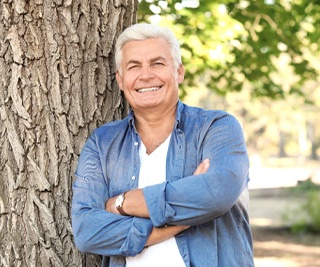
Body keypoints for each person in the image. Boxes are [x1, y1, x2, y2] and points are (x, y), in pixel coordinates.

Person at [71, 23, 254, 267]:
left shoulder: (217, 128)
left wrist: (123, 202)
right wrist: (187, 216)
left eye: (157, 63)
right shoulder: (103, 144)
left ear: (178, 72)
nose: (146, 75)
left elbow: (217, 193)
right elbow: (87, 232)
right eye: (134, 66)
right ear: (120, 79)